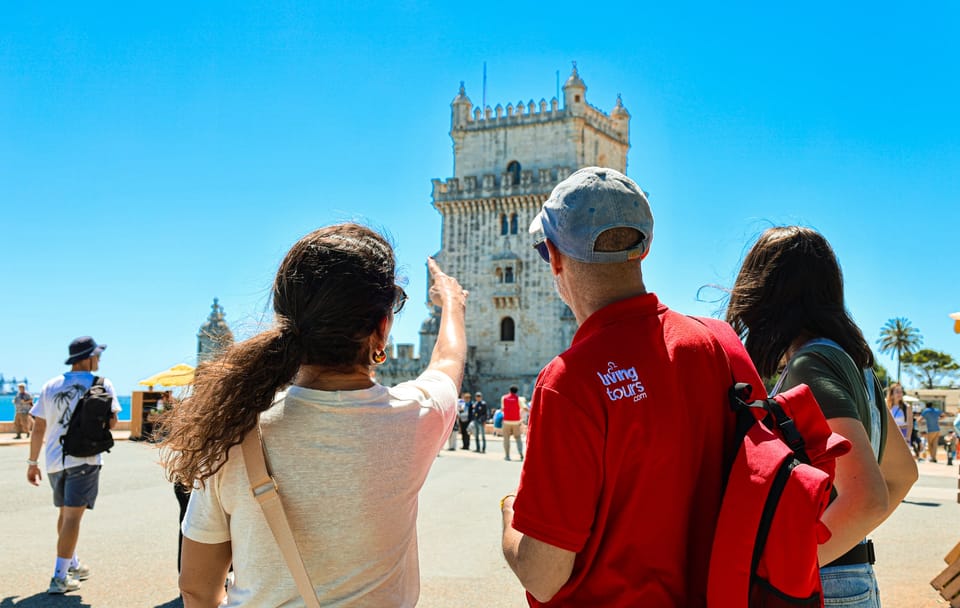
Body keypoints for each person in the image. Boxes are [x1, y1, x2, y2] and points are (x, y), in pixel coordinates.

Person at [160, 224, 467, 607]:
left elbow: (197, 588)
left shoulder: (235, 432)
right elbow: (448, 363)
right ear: (382, 328)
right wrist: (452, 302)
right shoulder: (415, 418)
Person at [500, 167, 758, 605]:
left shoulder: (569, 382)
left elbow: (544, 576)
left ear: (555, 257)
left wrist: (509, 513)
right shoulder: (723, 344)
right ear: (645, 248)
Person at [725, 226, 917, 606]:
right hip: (852, 577)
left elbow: (866, 499)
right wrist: (848, 548)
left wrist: (786, 568)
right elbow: (901, 474)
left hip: (824, 584)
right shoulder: (857, 368)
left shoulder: (810, 363)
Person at [27, 336, 121, 594]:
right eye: (97, 355)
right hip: (85, 459)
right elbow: (112, 423)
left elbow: (39, 428)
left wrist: (32, 462)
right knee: (72, 518)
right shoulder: (102, 384)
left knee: (64, 514)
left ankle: (72, 564)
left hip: (54, 461)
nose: (99, 360)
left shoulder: (50, 385)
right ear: (87, 358)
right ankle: (59, 578)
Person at [499, 386, 524, 462]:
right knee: (518, 438)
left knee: (506, 439)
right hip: (516, 421)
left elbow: (502, 409)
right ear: (517, 391)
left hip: (506, 421)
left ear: (509, 390)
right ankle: (520, 453)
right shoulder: (519, 399)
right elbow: (524, 407)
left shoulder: (504, 398)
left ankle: (507, 455)